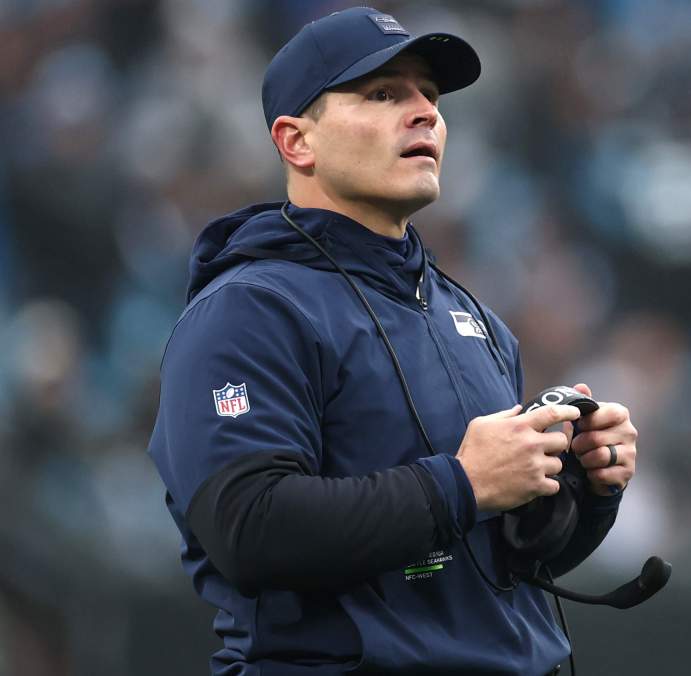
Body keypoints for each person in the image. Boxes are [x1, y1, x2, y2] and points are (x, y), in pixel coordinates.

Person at [146, 7, 638, 675]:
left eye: (429, 96)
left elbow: (494, 564)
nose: (425, 113)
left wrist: (583, 487)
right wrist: (463, 482)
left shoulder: (473, 317)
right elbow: (250, 529)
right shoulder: (248, 310)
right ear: (296, 141)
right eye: (382, 94)